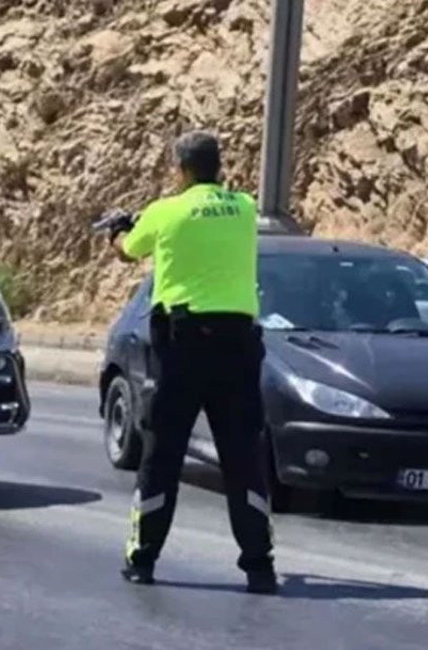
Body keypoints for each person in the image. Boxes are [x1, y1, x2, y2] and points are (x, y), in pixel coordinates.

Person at [105, 130, 278, 594]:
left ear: (179, 170)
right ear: (218, 167)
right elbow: (208, 211)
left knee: (162, 455)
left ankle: (143, 559)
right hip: (237, 348)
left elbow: (130, 250)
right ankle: (260, 566)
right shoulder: (243, 208)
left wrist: (120, 233)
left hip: (182, 350)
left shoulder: (165, 211)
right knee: (243, 458)